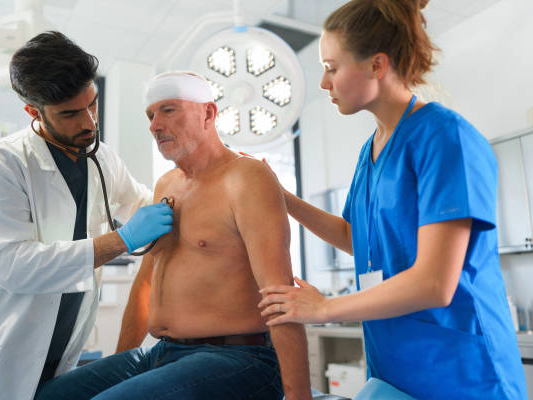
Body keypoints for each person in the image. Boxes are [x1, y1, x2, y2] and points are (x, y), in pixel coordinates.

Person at [257, 1, 528, 399]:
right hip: (392, 371)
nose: (323, 83)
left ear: (377, 65)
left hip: (460, 374)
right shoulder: (371, 152)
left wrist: (324, 308)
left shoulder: (444, 139)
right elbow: (356, 236)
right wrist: (282, 198)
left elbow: (436, 283)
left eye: (332, 68)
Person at [33, 71, 312, 400]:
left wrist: (299, 397)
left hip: (241, 357)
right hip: (161, 353)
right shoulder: (167, 185)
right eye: (151, 115)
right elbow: (145, 285)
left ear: (208, 113)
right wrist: (120, 364)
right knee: (46, 396)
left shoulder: (247, 177)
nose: (153, 124)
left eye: (168, 109)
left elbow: (281, 297)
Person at [0, 32, 173, 400]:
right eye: (71, 113)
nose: (90, 123)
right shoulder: (2, 164)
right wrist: (122, 241)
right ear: (34, 111)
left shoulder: (103, 158)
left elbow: (139, 202)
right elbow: (11, 263)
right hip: (0, 348)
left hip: (57, 347)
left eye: (92, 105)